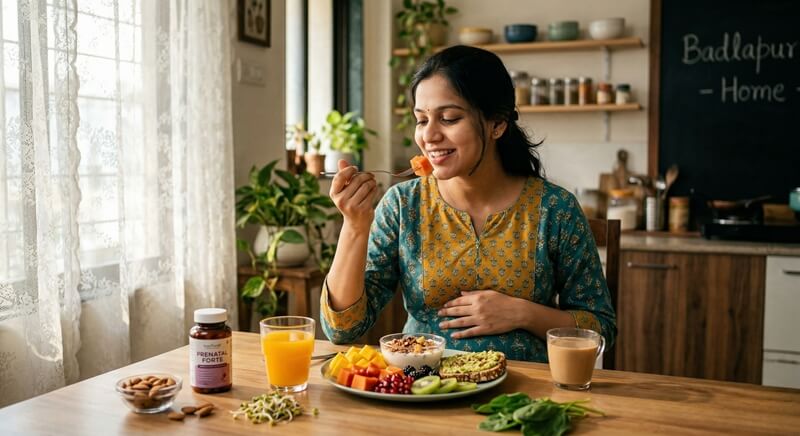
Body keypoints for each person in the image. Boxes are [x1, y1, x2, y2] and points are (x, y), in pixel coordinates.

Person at [320, 45, 615, 362]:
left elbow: (600, 330)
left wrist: (523, 313)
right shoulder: (402, 204)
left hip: (525, 397)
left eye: (448, 118)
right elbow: (342, 329)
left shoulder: (555, 209)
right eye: (421, 120)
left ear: (497, 124)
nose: (429, 136)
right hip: (421, 389)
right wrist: (354, 226)